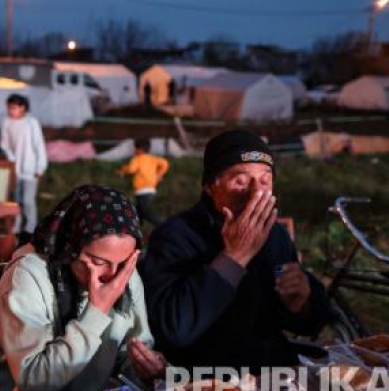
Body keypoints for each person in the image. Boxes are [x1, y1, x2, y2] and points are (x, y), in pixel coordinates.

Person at [0, 185, 167, 391]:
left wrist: (148, 369)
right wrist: (96, 311)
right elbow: (35, 383)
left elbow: (131, 355)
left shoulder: (124, 274)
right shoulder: (29, 275)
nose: (112, 276)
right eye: (98, 262)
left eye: (123, 263)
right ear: (71, 245)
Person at [140, 130, 332, 372]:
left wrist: (300, 306)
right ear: (210, 186)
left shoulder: (274, 234)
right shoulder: (175, 237)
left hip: (272, 376)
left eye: (265, 180)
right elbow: (175, 329)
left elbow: (312, 323)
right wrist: (235, 256)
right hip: (207, 385)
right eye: (240, 181)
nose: (255, 193)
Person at [0, 94, 47, 241]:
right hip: (15, 169)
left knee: (28, 200)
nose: (11, 111)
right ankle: (18, 225)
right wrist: (11, 159)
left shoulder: (31, 122)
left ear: (22, 107)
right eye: (9, 108)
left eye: (14, 108)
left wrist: (40, 166)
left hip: (30, 168)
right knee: (16, 199)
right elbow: (5, 144)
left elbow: (39, 144)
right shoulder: (7, 122)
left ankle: (31, 228)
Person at [118, 138, 170, 227]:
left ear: (140, 149)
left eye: (135, 148)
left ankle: (162, 225)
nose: (134, 151)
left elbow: (131, 169)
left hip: (142, 189)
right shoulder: (153, 158)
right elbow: (165, 163)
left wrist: (123, 170)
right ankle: (138, 230)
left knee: (146, 211)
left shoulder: (137, 159)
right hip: (151, 189)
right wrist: (159, 174)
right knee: (138, 212)